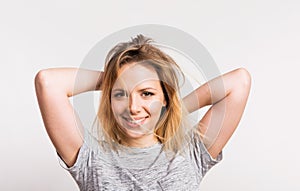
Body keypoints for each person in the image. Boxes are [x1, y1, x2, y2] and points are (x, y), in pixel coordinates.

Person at [35, 35, 251, 190]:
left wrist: (173, 109)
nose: (133, 107)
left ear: (164, 97)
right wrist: (113, 77)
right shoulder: (91, 159)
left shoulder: (190, 153)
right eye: (120, 94)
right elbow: (48, 82)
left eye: (146, 93)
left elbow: (239, 82)